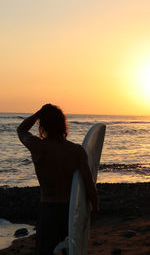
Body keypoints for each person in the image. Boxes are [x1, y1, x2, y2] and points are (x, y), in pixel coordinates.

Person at [17, 104, 98, 255]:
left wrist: (37, 114)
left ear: (43, 125)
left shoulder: (38, 147)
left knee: (46, 251)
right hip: (71, 210)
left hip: (48, 209)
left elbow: (21, 130)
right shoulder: (76, 151)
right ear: (63, 124)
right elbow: (89, 183)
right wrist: (95, 207)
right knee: (72, 250)